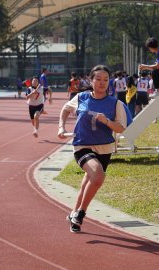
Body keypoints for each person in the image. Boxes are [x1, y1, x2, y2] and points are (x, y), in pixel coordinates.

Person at [58, 65, 128, 233]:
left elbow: (121, 128)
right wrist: (61, 127)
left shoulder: (115, 103)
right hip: (82, 144)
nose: (102, 83)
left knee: (88, 182)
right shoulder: (81, 97)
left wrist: (107, 122)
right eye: (98, 79)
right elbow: (65, 109)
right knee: (97, 176)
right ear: (91, 80)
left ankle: (73, 216)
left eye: (106, 80)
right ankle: (81, 213)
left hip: (105, 147)